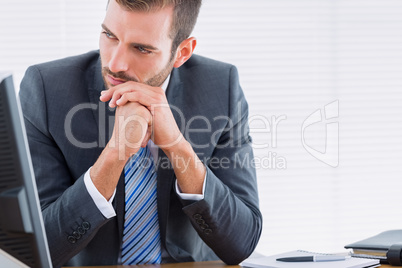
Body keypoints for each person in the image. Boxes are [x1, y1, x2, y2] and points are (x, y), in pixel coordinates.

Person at [19, 0, 262, 267]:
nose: (115, 63)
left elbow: (241, 243)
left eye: (142, 48)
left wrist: (177, 146)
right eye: (110, 35)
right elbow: (37, 250)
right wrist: (114, 155)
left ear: (181, 52)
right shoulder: (46, 89)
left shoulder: (220, 87)